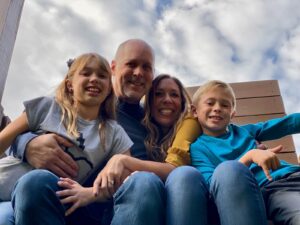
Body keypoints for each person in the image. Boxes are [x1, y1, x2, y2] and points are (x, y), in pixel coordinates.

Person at [5, 39, 207, 225]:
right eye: (131, 64)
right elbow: (32, 124)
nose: (138, 72)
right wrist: (27, 144)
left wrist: (123, 162)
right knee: (29, 189)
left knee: (144, 181)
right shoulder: (85, 101)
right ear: (113, 68)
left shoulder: (150, 123)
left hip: (119, 209)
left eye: (146, 67)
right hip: (65, 203)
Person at [0, 52, 134, 224]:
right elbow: (4, 139)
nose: (94, 79)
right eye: (86, 73)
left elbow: (126, 180)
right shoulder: (47, 107)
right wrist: (26, 145)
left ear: (109, 89)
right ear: (70, 84)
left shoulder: (114, 133)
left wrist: (91, 193)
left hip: (38, 201)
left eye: (102, 76)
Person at [190, 80, 300, 224]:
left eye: (225, 105)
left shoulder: (245, 131)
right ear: (194, 111)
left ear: (232, 113)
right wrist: (250, 156)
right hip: (276, 188)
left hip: (294, 173)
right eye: (210, 103)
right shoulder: (198, 148)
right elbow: (213, 186)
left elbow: (286, 124)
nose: (217, 108)